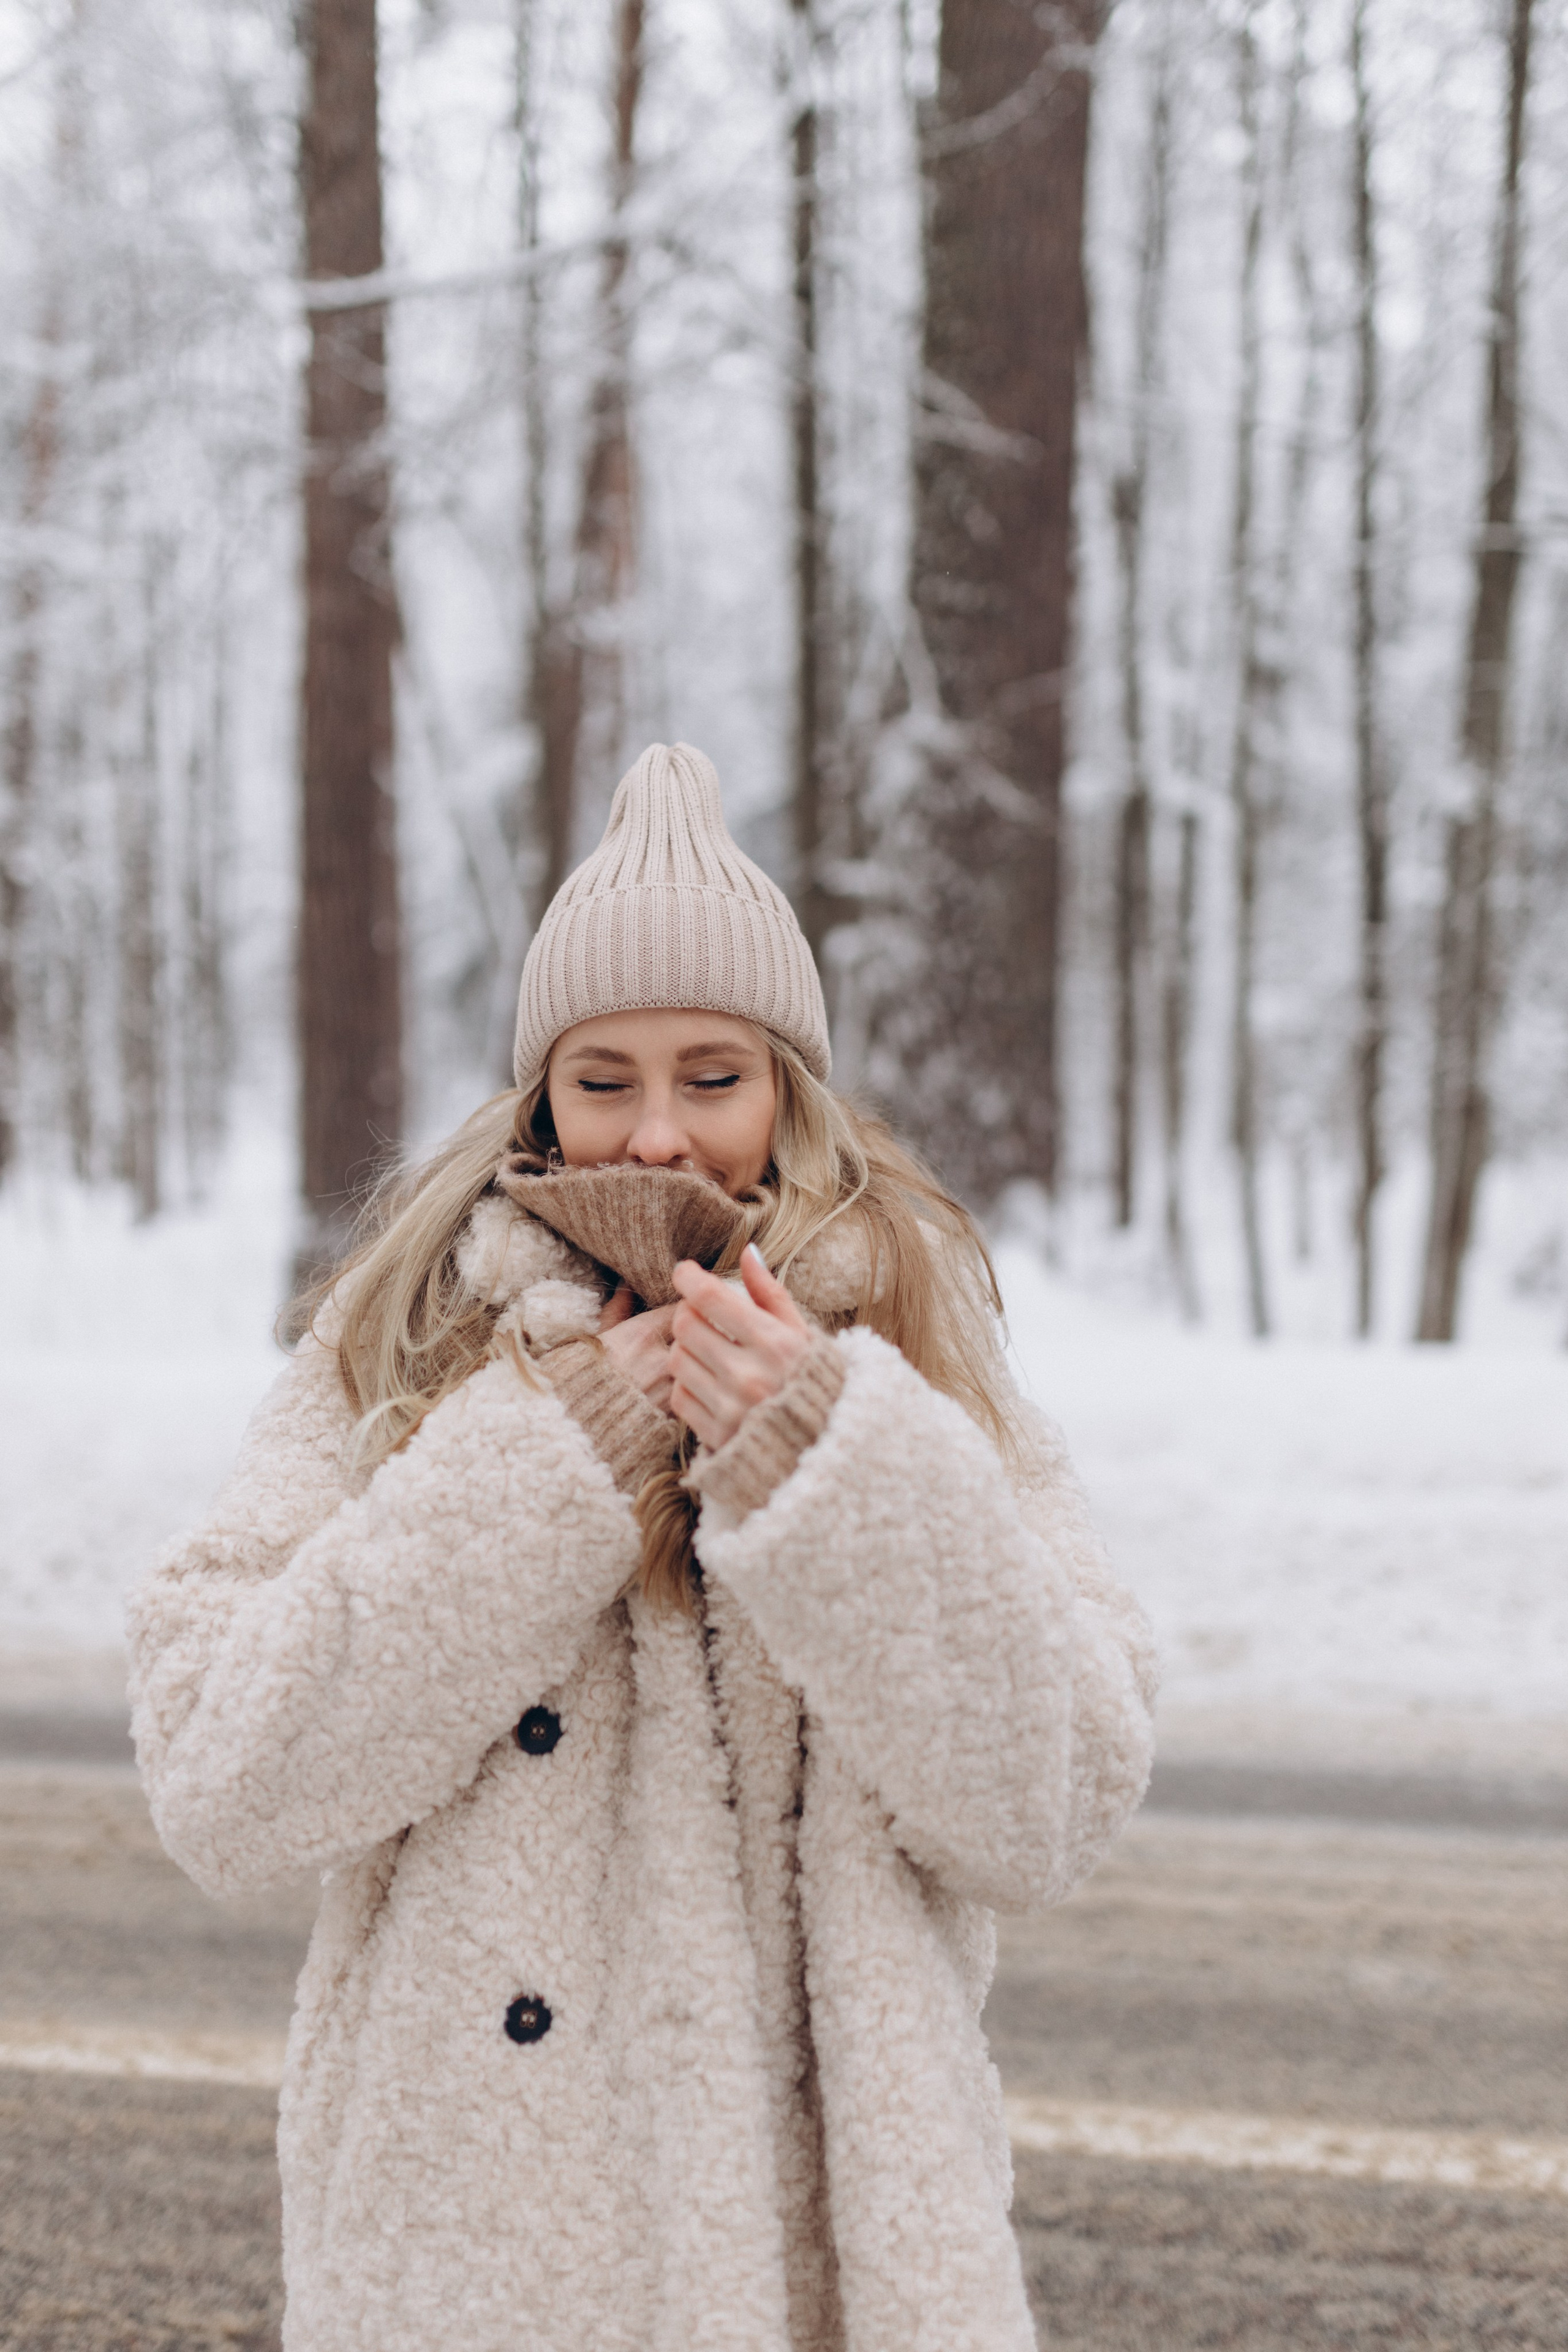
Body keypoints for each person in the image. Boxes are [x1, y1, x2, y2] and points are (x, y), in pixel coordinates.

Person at [128, 742, 1156, 2352]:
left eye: (714, 1075)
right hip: (474, 2252)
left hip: (825, 2267)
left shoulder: (908, 1336)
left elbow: (1057, 1803)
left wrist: (825, 1458)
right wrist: (552, 1462)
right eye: (603, 1081)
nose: (658, 1140)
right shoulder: (405, 1336)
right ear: (540, 1093)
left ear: (789, 1091)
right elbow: (220, 1780)